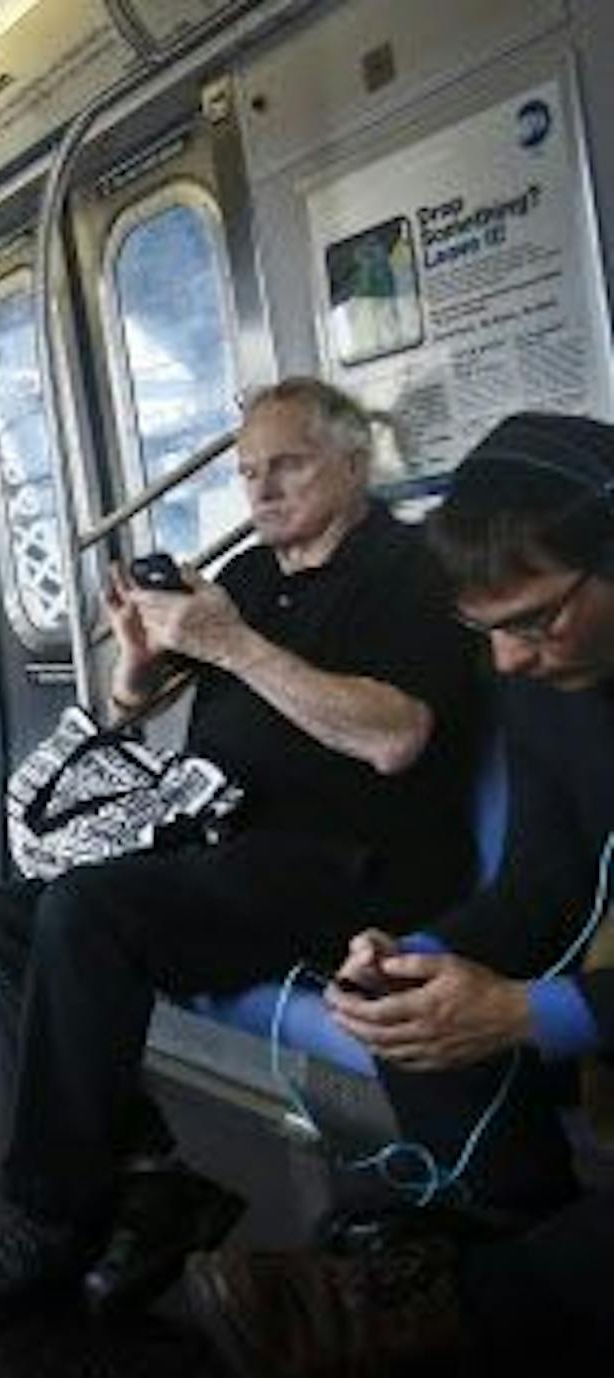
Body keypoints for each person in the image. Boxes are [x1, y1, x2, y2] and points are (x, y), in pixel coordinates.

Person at [0, 377, 486, 1322]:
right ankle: (147, 1176)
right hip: (220, 836)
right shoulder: (245, 579)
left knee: (90, 910)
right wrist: (140, 659)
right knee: (7, 913)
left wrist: (233, 647)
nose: (262, 492)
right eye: (247, 473)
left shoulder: (410, 569)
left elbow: (395, 738)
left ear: (353, 463)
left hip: (348, 858)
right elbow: (127, 705)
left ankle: (55, 1218)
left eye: (288, 466)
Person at [185, 411, 614, 1376]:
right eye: (486, 633)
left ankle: (442, 1306)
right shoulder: (549, 687)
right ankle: (513, 1226)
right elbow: (546, 884)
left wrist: (528, 1011)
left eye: (536, 620)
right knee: (413, 1002)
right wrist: (425, 957)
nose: (509, 661)